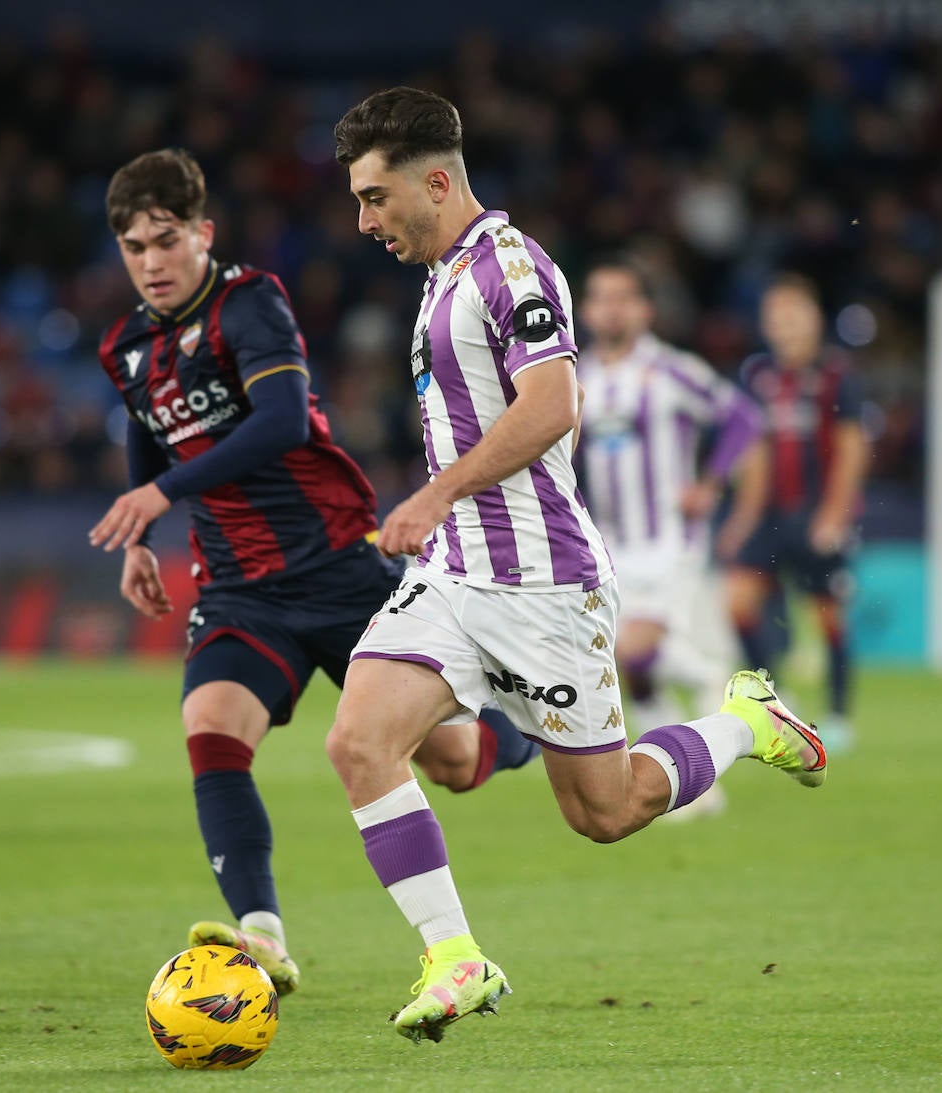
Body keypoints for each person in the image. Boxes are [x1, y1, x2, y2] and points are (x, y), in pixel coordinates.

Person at [328, 86, 828, 1045]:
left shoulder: (509, 269)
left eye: (376, 197)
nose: (364, 221)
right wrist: (438, 520)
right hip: (453, 578)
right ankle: (453, 957)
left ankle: (742, 722)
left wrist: (434, 494)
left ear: (436, 181)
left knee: (604, 812)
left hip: (545, 587)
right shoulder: (440, 276)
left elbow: (553, 405)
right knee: (357, 742)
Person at [85, 148, 539, 997]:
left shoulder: (249, 303)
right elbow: (150, 430)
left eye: (165, 239)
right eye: (133, 247)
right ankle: (262, 937)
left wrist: (159, 492)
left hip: (337, 566)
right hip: (237, 588)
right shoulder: (127, 346)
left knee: (451, 758)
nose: (150, 261)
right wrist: (142, 526)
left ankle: (534, 729)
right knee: (211, 730)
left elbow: (283, 421)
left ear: (202, 234)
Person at [576, 254, 768, 819]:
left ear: (643, 309)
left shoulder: (671, 370)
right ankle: (691, 787)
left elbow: (742, 418)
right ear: (586, 310)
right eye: (601, 297)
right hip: (610, 545)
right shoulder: (576, 376)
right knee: (628, 668)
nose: (612, 308)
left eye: (623, 297)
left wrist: (710, 481)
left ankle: (723, 693)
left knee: (630, 649)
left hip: (669, 544)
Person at [726, 273, 869, 754]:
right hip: (769, 516)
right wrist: (743, 519)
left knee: (828, 616)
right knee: (738, 602)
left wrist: (834, 515)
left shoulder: (836, 374)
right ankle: (777, 699)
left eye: (793, 314)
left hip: (816, 512)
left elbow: (852, 448)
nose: (784, 325)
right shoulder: (756, 375)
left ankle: (838, 713)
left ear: (814, 318)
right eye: (775, 317)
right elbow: (754, 453)